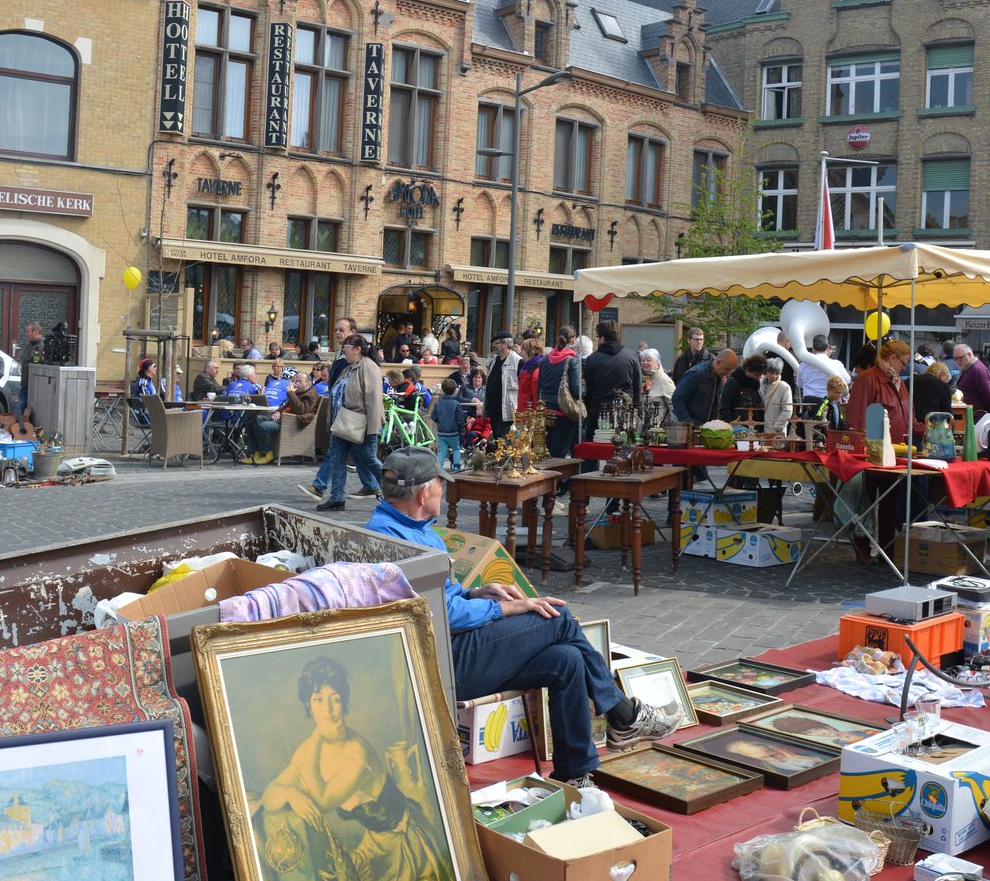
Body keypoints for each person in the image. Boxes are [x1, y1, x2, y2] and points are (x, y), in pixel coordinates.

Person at [366, 449, 682, 786]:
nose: (443, 492)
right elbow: (436, 614)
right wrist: (504, 608)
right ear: (423, 492)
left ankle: (574, 773)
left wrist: (476, 592)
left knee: (567, 659)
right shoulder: (393, 540)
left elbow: (441, 597)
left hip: (452, 646)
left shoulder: (411, 528)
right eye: (440, 486)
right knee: (557, 616)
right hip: (442, 663)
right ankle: (623, 715)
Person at [260, 654, 457, 881]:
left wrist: (310, 746)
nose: (327, 708)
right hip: (374, 844)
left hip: (403, 842)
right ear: (308, 704)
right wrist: (289, 793)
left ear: (345, 703)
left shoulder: (356, 751)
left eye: (335, 699)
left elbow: (322, 801)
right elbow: (269, 796)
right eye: (318, 699)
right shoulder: (312, 749)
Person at [844, 340, 926, 563]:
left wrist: (930, 429)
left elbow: (910, 419)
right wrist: (863, 451)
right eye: (904, 362)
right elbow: (856, 418)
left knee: (891, 504)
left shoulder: (899, 383)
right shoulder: (869, 379)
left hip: (896, 455)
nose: (905, 367)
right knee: (867, 503)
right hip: (872, 456)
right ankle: (863, 546)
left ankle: (887, 552)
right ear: (892, 359)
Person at [306, 317, 380, 500]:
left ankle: (396, 488)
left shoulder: (364, 364)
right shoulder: (345, 361)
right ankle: (338, 497)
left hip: (357, 420)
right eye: (336, 329)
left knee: (365, 457)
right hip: (343, 419)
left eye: (342, 330)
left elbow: (372, 397)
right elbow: (336, 389)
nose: (338, 333)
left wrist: (373, 426)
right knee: (343, 457)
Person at [582, 320, 641, 436]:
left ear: (602, 338)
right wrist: (635, 408)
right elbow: (637, 387)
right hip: (624, 413)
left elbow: (587, 390)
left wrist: (589, 409)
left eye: (597, 337)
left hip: (598, 411)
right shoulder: (632, 356)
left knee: (595, 450)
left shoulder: (592, 359)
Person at [248, 371, 320, 465]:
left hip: (291, 422)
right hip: (283, 418)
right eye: (295, 381)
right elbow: (285, 404)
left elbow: (301, 410)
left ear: (308, 383)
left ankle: (267, 454)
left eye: (299, 381)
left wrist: (291, 393)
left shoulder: (311, 395)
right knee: (253, 420)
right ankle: (256, 452)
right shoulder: (299, 391)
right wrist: (278, 411)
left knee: (263, 426)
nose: (296, 383)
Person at [537, 327, 581, 460]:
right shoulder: (572, 360)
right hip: (563, 412)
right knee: (559, 456)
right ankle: (560, 481)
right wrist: (585, 388)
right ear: (573, 340)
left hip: (545, 411)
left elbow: (539, 386)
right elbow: (576, 390)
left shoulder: (545, 360)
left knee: (546, 454)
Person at [671, 349, 739, 426]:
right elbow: (677, 398)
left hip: (702, 427)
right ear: (718, 362)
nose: (729, 373)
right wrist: (688, 423)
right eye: (727, 369)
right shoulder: (697, 373)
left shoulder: (718, 377)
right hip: (687, 426)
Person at [483, 332, 520, 442]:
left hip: (507, 407)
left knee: (503, 436)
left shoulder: (517, 361)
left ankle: (505, 459)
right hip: (494, 407)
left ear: (505, 344)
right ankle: (499, 458)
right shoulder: (494, 361)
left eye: (497, 343)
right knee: (497, 437)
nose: (494, 345)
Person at [718, 353, 768, 424]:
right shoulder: (733, 383)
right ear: (747, 370)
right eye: (756, 375)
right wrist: (730, 426)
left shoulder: (755, 384)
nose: (758, 378)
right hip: (737, 426)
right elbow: (724, 407)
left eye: (760, 375)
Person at [431, 376, 467, 470]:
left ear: (443, 389)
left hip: (441, 432)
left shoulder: (438, 403)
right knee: (456, 449)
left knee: (442, 450)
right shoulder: (456, 404)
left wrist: (439, 422)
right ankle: (456, 466)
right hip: (453, 432)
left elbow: (433, 416)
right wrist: (462, 428)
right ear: (455, 390)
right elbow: (460, 419)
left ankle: (439, 468)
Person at [798, 334, 833, 418]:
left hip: (807, 402)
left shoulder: (803, 364)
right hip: (825, 403)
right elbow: (846, 380)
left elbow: (799, 384)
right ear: (828, 347)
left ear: (813, 348)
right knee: (823, 429)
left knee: (806, 428)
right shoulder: (835, 364)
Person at [953, 344, 990, 420]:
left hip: (977, 418)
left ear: (969, 355)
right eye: (955, 358)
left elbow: (987, 395)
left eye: (960, 358)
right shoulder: (969, 368)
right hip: (969, 417)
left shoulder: (978, 370)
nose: (957, 361)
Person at [761, 357, 794, 436]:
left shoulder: (784, 387)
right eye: (771, 373)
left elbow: (787, 410)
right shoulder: (759, 385)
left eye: (777, 373)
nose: (774, 376)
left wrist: (776, 427)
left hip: (776, 432)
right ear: (766, 372)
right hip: (759, 429)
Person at [18, 322, 44, 418]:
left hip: (33, 384)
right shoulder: (30, 345)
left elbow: (38, 364)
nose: (26, 334)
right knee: (21, 409)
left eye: (27, 331)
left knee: (21, 409)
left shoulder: (42, 346)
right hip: (25, 383)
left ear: (35, 332)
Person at [639, 350, 676, 416]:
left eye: (648, 360)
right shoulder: (643, 379)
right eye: (643, 360)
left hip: (659, 425)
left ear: (657, 363)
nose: (645, 363)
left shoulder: (665, 380)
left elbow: (674, 407)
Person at [515, 337, 545, 414]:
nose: (521, 353)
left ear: (531, 352)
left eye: (523, 350)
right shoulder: (527, 368)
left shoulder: (536, 370)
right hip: (523, 412)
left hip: (529, 415)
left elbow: (536, 397)